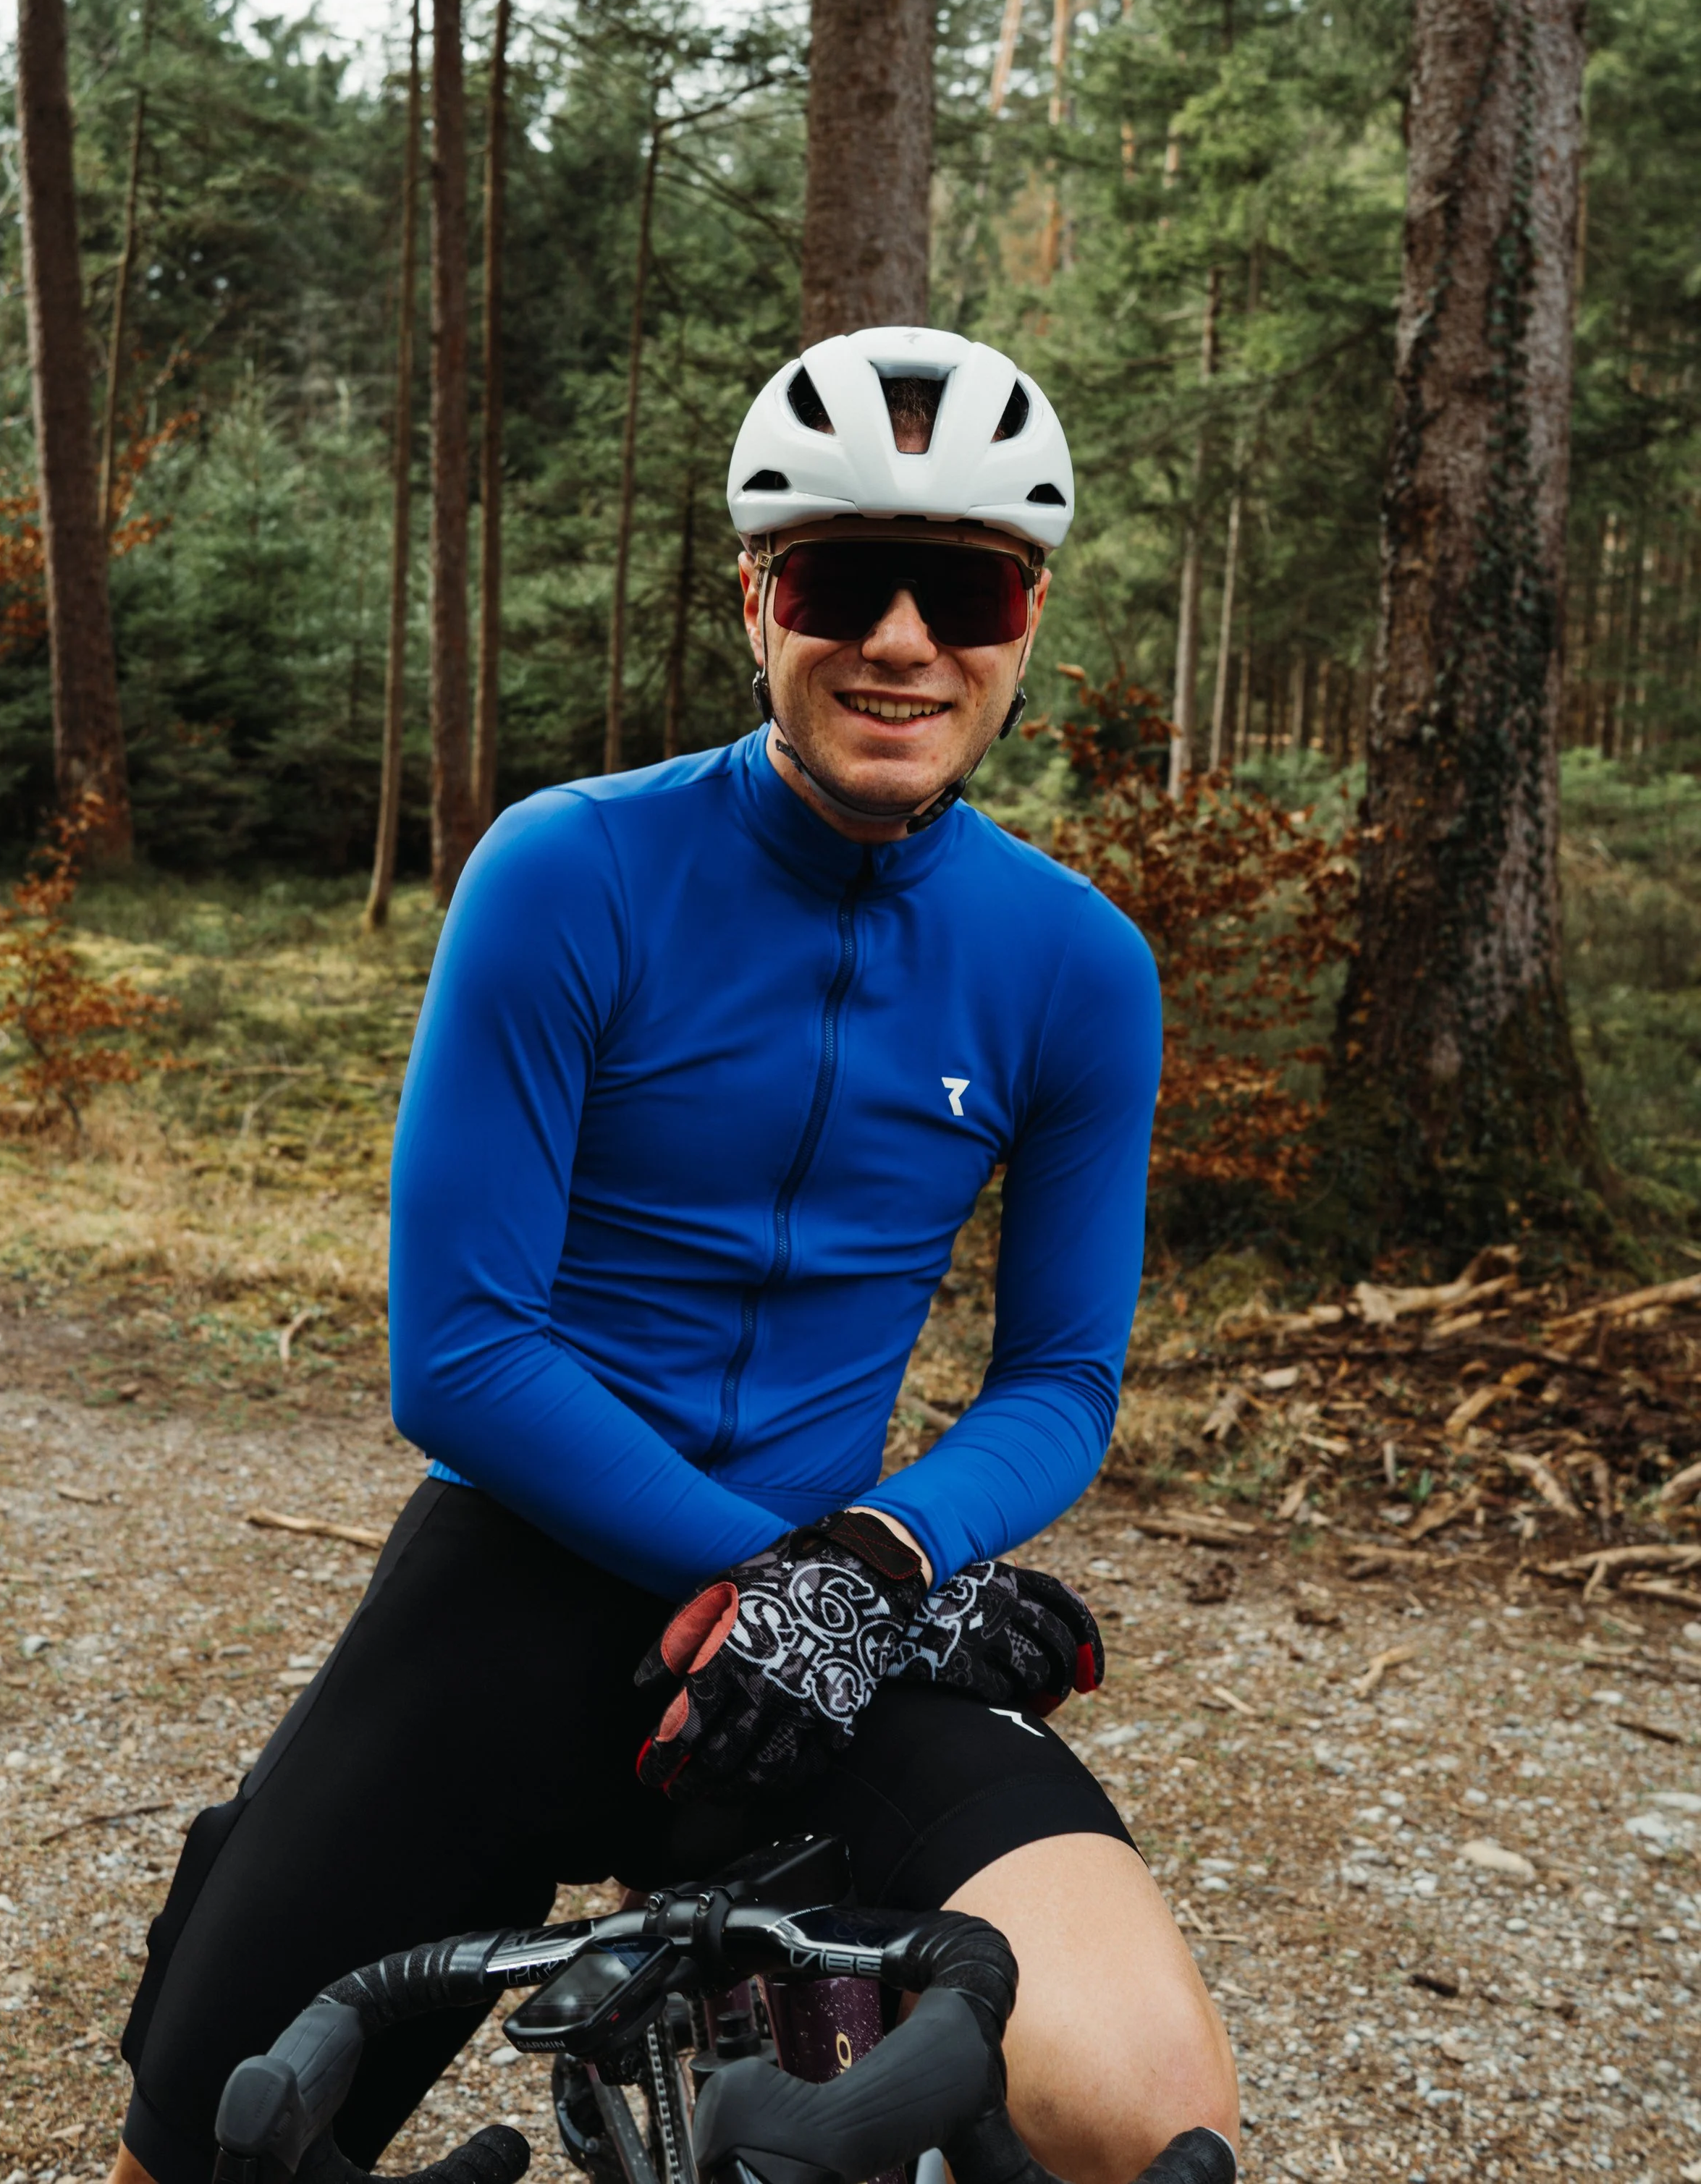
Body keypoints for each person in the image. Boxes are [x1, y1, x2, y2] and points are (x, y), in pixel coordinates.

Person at [107, 327, 1238, 2184]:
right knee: (204, 2145)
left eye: (955, 587)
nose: (896, 640)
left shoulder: (1073, 963)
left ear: (1023, 619)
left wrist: (873, 1566)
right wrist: (803, 1582)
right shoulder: (571, 871)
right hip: (522, 1575)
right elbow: (460, 1350)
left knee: (1145, 2111)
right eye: (834, 579)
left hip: (846, 1598)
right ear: (752, 601)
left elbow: (1058, 1380)